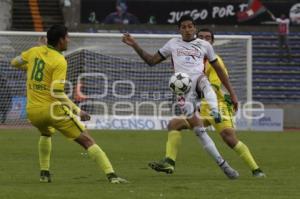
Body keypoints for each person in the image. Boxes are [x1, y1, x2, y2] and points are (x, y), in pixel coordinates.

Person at [122, 16, 239, 179]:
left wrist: (232, 93)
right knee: (200, 132)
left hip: (198, 80)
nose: (187, 29)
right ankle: (225, 166)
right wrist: (134, 44)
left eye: (190, 26)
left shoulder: (204, 45)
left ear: (195, 28)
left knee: (204, 82)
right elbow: (151, 61)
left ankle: (215, 111)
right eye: (183, 27)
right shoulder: (172, 44)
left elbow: (219, 69)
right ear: (179, 30)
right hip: (182, 91)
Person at [10, 25, 127, 184]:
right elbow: (57, 92)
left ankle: (44, 173)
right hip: (52, 110)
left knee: (46, 134)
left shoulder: (34, 52)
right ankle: (112, 176)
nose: (69, 40)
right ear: (60, 41)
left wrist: (30, 66)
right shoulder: (59, 60)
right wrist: (78, 111)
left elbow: (14, 63)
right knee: (87, 140)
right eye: (67, 37)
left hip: (33, 112)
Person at [147, 28, 266, 178]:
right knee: (174, 124)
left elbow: (213, 87)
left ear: (212, 42)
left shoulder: (214, 62)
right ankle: (169, 162)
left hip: (219, 103)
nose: (204, 39)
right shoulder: (193, 59)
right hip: (202, 106)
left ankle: (256, 170)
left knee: (228, 137)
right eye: (201, 37)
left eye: (208, 37)